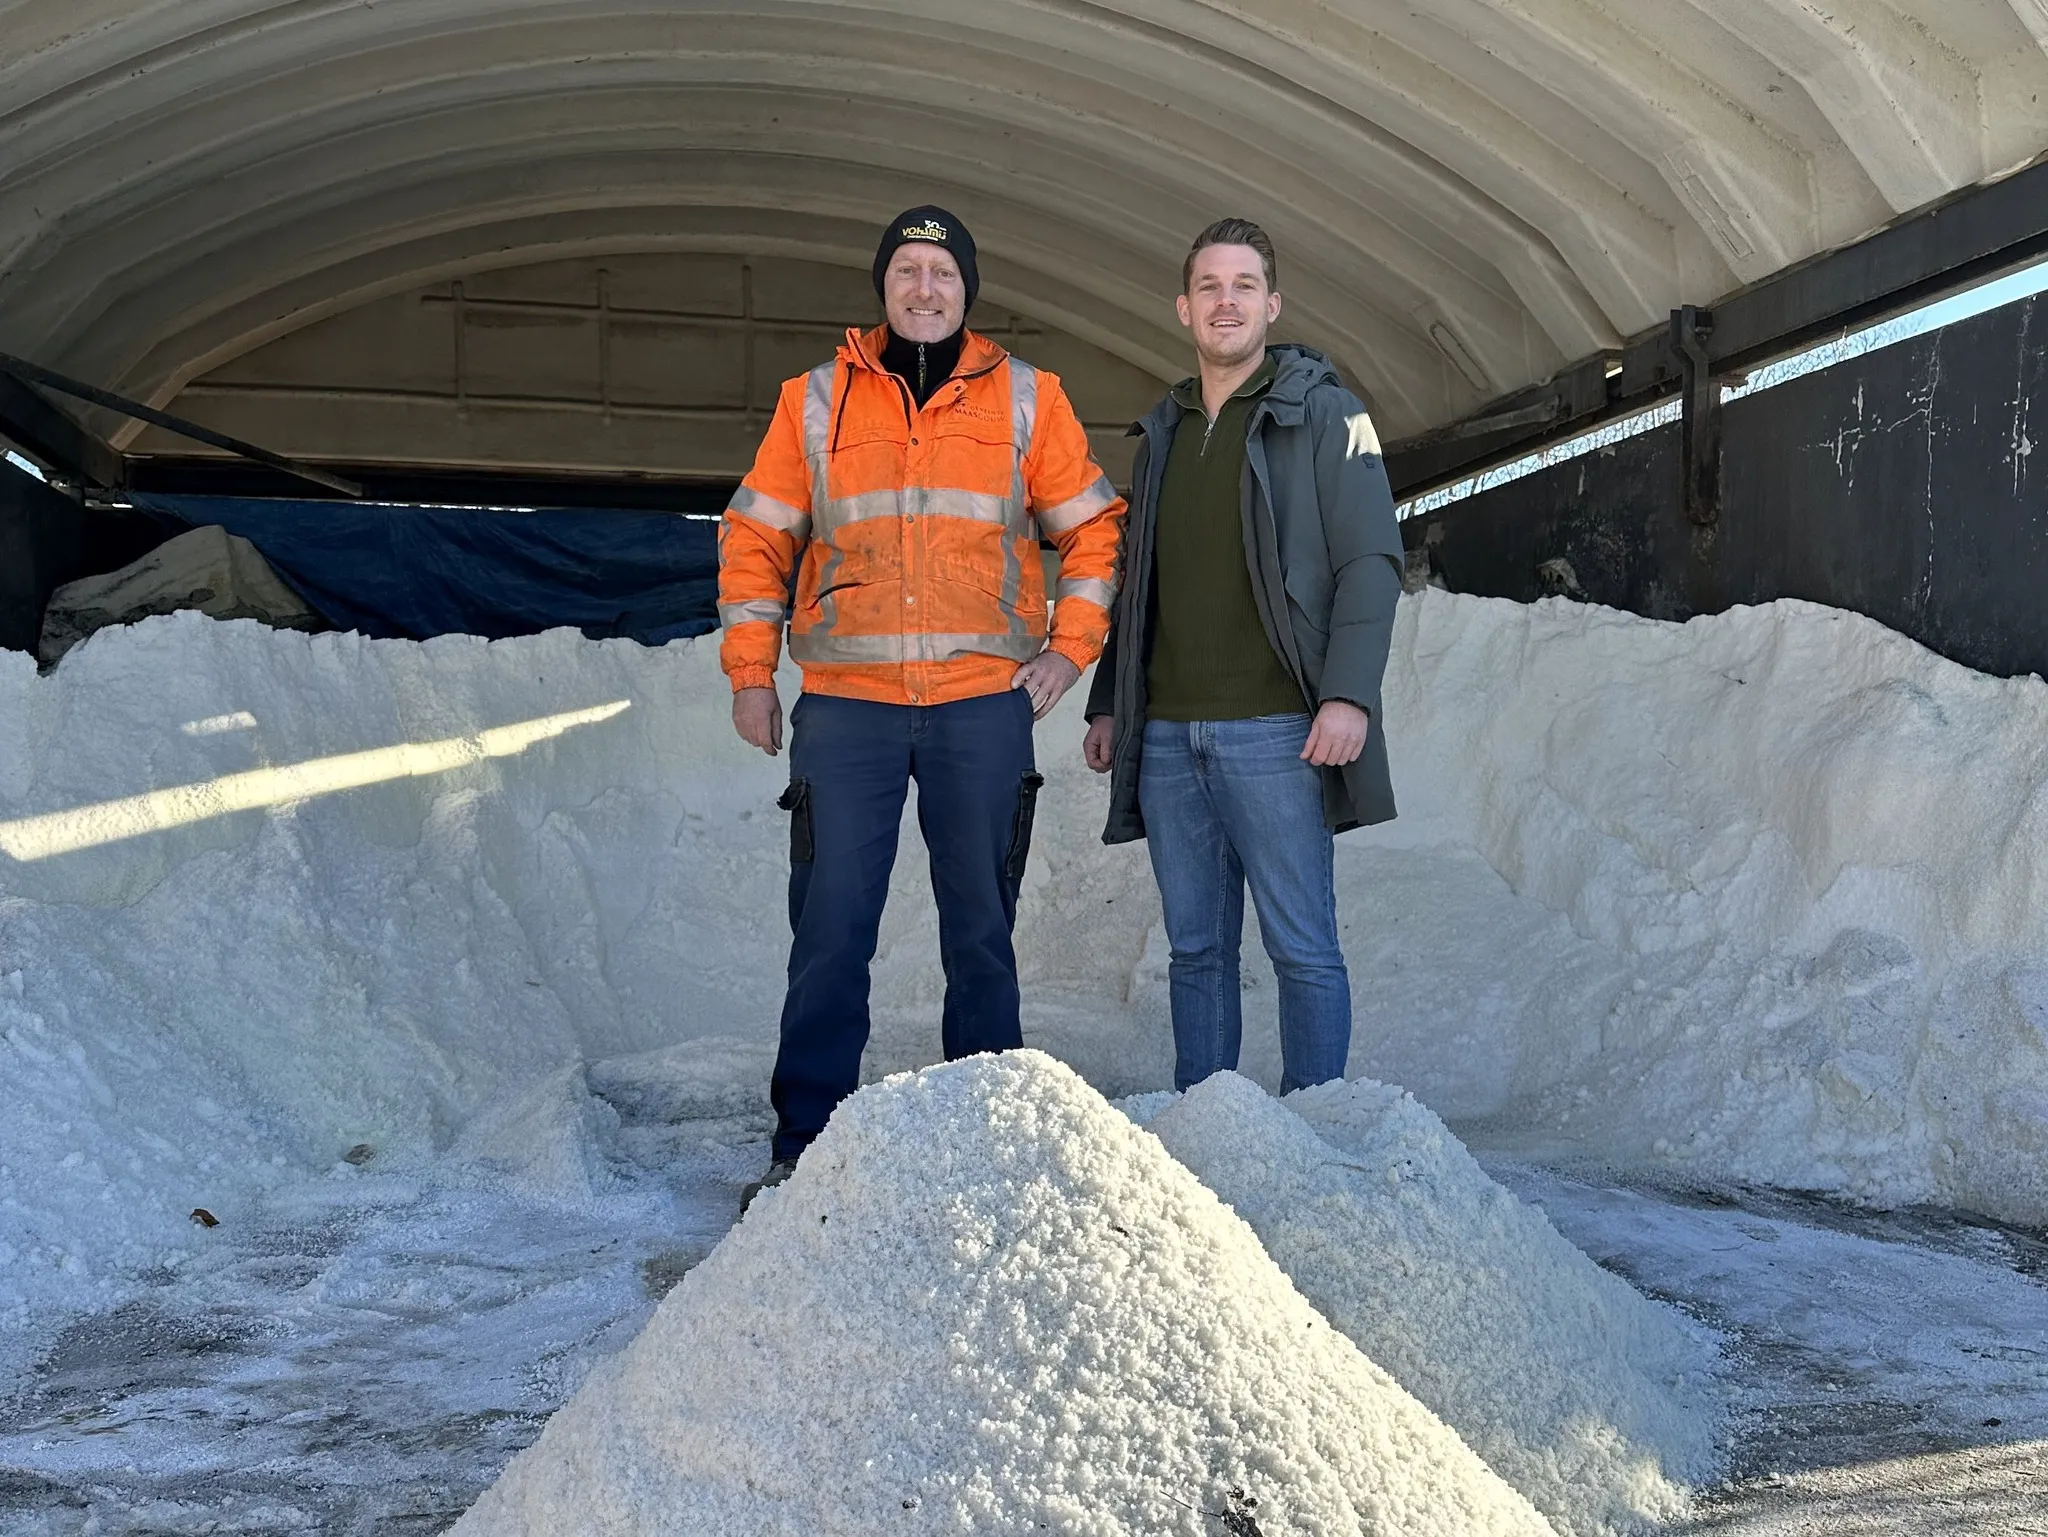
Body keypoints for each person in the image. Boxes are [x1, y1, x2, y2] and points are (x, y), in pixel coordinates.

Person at [719, 205, 1126, 1203]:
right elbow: (756, 537)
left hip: (979, 703)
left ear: (966, 290)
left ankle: (981, 1141)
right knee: (829, 930)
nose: (924, 288)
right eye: (906, 270)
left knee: (980, 930)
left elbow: (1093, 532)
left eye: (942, 273)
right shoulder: (814, 399)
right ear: (883, 286)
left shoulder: (1029, 398)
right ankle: (805, 1147)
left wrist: (1067, 652)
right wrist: (749, 672)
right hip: (845, 708)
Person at [1082, 217, 1404, 1096]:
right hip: (1168, 738)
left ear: (1273, 304)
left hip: (1278, 731)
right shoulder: (1165, 430)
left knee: (1302, 947)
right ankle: (1208, 1126)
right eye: (1210, 287)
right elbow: (1140, 584)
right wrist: (1110, 700)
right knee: (1195, 951)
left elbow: (1370, 561)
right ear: (1184, 308)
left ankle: (1318, 1128)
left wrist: (1348, 695)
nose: (1227, 301)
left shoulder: (1327, 414)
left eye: (1245, 285)